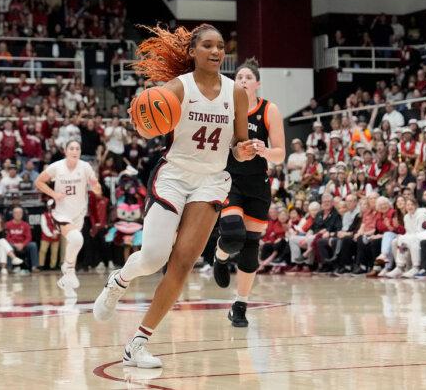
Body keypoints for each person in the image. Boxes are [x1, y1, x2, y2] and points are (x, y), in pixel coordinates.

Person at [92, 24, 256, 368]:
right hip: (174, 177)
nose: (215, 51)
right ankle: (119, 280)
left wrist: (247, 150)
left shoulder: (236, 93)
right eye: (207, 45)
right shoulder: (176, 88)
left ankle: (137, 342)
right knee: (152, 259)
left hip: (211, 180)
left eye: (221, 46)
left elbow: (238, 148)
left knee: (182, 264)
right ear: (192, 52)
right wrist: (143, 118)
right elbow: (148, 122)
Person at [211, 58, 285, 327]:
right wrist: (236, 151)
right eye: (238, 77)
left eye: (247, 77)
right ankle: (219, 257)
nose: (242, 81)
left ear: (257, 83)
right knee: (232, 235)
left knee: (250, 249)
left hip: (257, 183)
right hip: (230, 179)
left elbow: (280, 153)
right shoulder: (227, 108)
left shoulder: (269, 110)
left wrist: (264, 151)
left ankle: (239, 305)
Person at [35, 140, 102, 297]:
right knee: (77, 239)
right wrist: (54, 194)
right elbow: (38, 181)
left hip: (78, 214)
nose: (74, 150)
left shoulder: (85, 167)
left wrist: (95, 185)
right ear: (65, 151)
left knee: (75, 242)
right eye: (71, 148)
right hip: (61, 213)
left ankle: (67, 271)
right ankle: (69, 270)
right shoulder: (57, 167)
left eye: (77, 148)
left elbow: (97, 190)